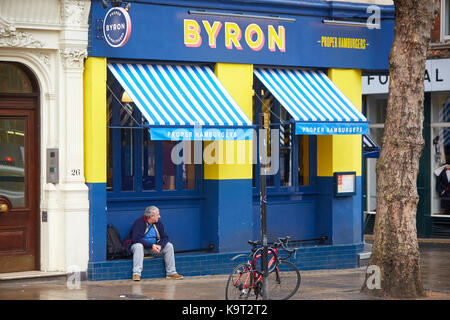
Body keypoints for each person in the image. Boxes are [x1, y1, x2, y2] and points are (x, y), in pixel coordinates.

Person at [123, 206, 183, 281]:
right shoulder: (139, 222)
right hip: (141, 248)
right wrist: (152, 245)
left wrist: (160, 246)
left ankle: (171, 273)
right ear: (151, 216)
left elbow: (165, 237)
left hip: (154, 248)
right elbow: (136, 239)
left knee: (169, 246)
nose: (160, 216)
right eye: (158, 215)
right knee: (138, 246)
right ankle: (136, 274)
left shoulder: (158, 224)